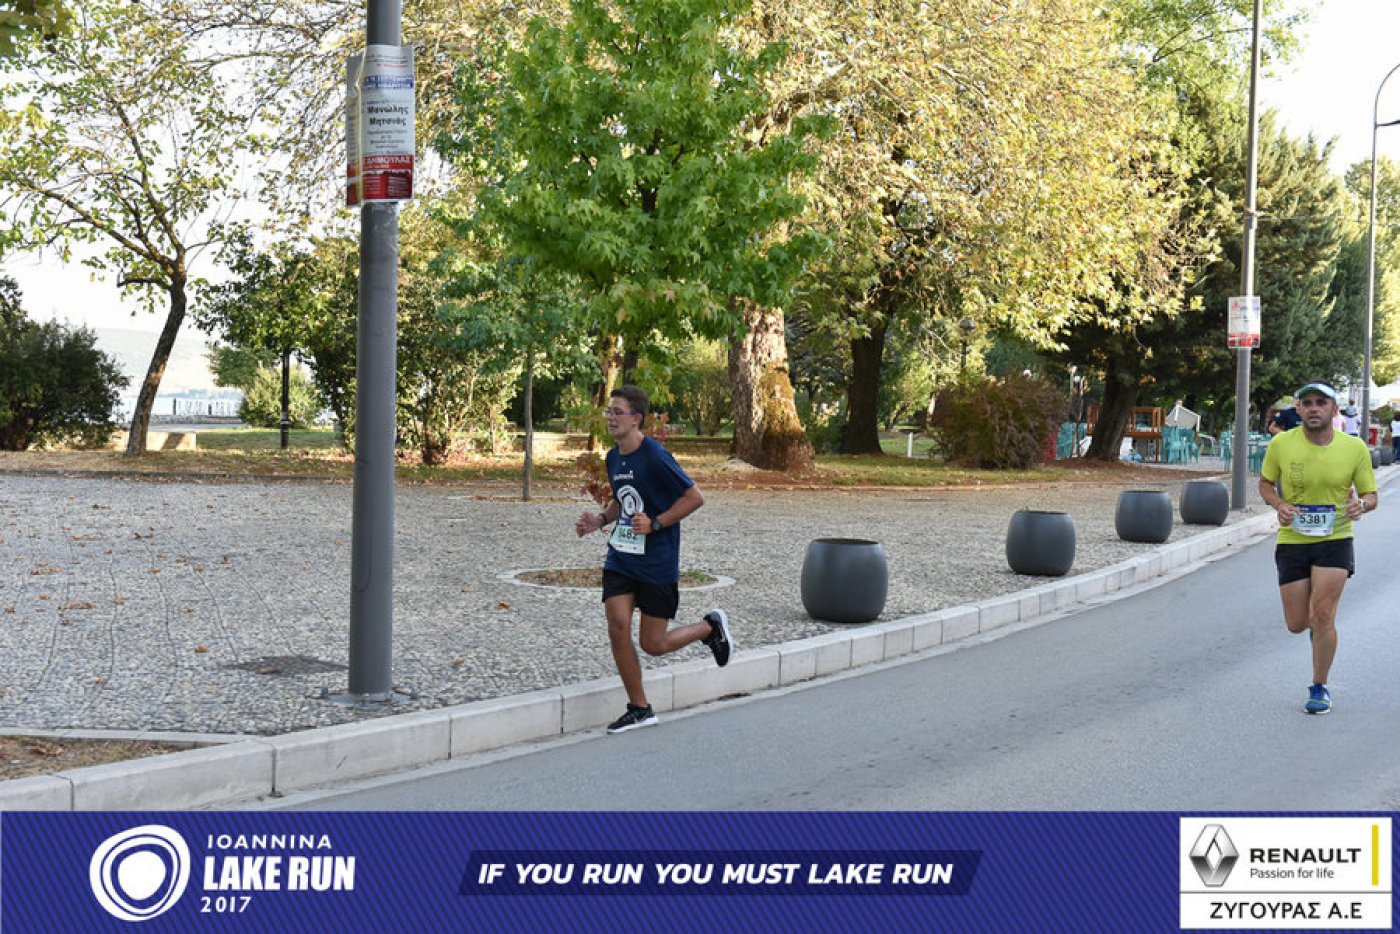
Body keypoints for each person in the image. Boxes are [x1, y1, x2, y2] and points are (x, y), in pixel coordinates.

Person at [574, 384, 733, 734]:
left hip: (657, 561)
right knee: (617, 627)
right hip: (622, 556)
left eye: (618, 412)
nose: (611, 418)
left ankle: (709, 628)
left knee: (653, 644)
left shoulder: (656, 455)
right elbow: (622, 499)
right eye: (609, 411)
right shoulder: (613, 458)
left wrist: (657, 523)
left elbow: (694, 497)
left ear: (636, 419)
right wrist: (600, 520)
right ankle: (639, 708)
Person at [1258, 381, 1378, 715]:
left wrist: (1361, 506)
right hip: (1293, 540)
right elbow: (1265, 484)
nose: (1314, 408)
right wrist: (1279, 504)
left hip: (1335, 539)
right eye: (1307, 403)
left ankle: (1319, 686)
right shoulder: (1281, 444)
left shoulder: (1354, 448)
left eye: (1321, 403)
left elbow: (1370, 495)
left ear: (1334, 409)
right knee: (1298, 623)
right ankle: (1316, 630)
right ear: (1298, 409)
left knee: (1323, 614)